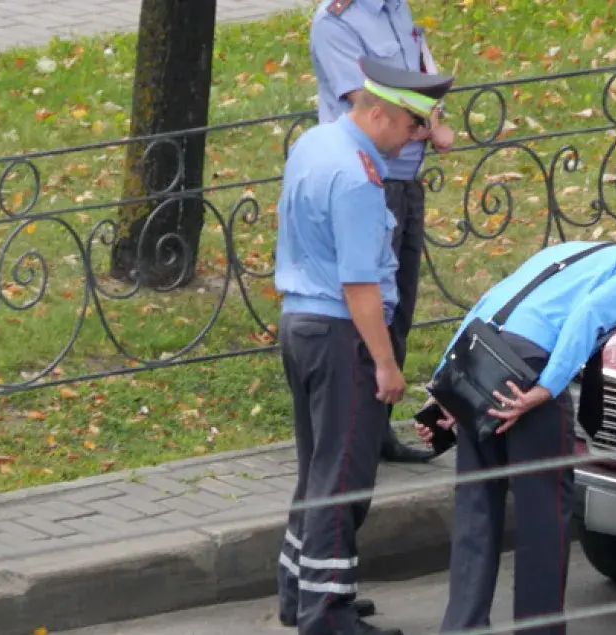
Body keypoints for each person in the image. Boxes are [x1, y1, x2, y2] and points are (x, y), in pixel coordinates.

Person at [414, 220, 616, 635]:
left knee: (476, 511)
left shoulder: (571, 252)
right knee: (543, 519)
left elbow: (486, 304)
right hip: (528, 372)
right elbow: (591, 314)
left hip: (484, 363)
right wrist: (545, 388)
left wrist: (445, 392)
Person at [273, 55, 455, 635]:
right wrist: (385, 362)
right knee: (345, 477)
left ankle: (299, 591)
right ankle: (327, 613)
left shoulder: (315, 142)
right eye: (408, 125)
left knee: (318, 468)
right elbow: (359, 284)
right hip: (341, 335)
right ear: (378, 112)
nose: (412, 139)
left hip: (300, 323)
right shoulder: (356, 177)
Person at [310, 0, 457, 465]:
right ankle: (345, 437)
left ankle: (375, 434)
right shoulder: (335, 21)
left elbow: (423, 77)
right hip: (365, 182)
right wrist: (427, 126)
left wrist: (428, 122)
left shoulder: (398, 9)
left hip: (407, 181)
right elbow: (367, 106)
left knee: (398, 309)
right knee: (363, 307)